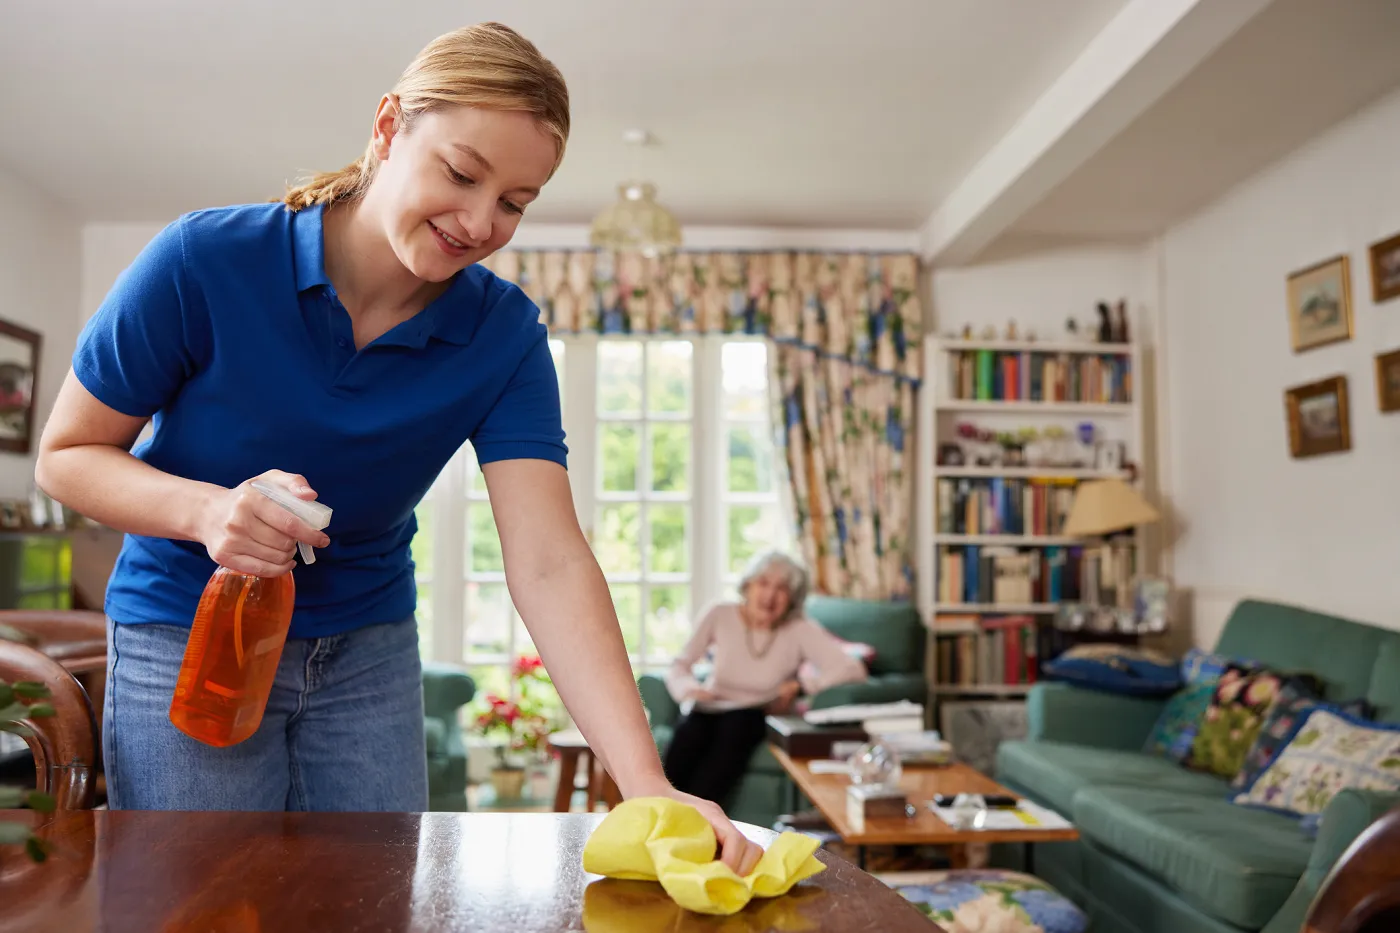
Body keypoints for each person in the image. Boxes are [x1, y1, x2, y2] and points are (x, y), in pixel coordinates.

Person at [35, 22, 762, 874]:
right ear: (388, 128)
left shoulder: (503, 334)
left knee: (372, 904)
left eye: (516, 202)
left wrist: (646, 782)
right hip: (187, 637)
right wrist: (206, 509)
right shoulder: (206, 261)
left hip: (366, 652)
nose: (481, 221)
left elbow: (550, 559)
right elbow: (67, 454)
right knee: (205, 902)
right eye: (461, 173)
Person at [662, 551, 867, 805]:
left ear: (793, 598)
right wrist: (689, 689)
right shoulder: (720, 614)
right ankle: (659, 816)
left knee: (735, 728)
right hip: (710, 705)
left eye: (782, 589)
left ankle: (698, 824)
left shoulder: (799, 628)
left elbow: (851, 668)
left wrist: (802, 686)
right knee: (688, 733)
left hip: (756, 713)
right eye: (763, 583)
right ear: (748, 586)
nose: (770, 595)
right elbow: (679, 665)